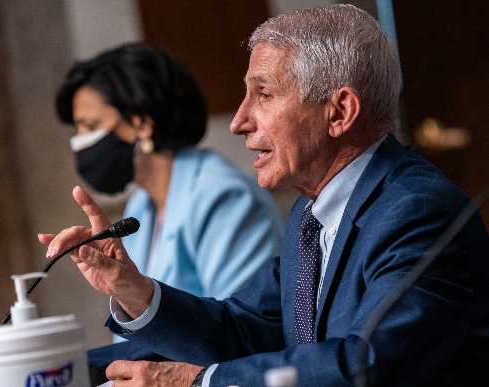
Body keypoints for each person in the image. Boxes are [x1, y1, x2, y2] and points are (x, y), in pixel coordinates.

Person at [40, 5, 489, 386]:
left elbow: (366, 364)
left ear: (340, 112)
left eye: (264, 94)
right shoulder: (312, 215)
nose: (238, 122)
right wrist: (130, 288)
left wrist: (197, 381)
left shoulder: (417, 212)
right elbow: (244, 330)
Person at [53, 42, 284, 380]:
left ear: (142, 123)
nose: (80, 142)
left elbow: (242, 341)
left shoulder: (224, 198)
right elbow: (133, 342)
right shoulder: (140, 209)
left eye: (89, 125)